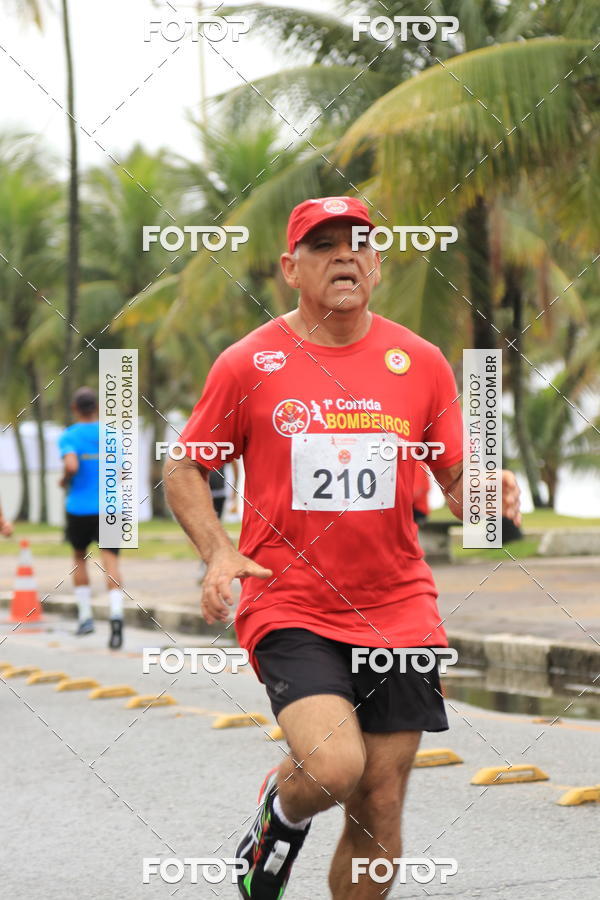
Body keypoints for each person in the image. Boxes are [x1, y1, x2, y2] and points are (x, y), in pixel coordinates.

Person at [164, 196, 521, 899]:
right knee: (333, 769)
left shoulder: (418, 362)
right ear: (291, 268)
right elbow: (183, 465)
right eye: (324, 245)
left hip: (397, 605)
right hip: (289, 601)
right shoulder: (250, 363)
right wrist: (216, 551)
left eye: (359, 243)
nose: (345, 255)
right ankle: (280, 809)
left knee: (381, 798)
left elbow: (450, 476)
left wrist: (484, 490)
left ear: (378, 264)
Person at [58, 387, 125, 649]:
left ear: (75, 408)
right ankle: (117, 616)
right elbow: (121, 473)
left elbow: (72, 465)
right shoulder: (112, 435)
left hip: (79, 508)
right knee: (111, 561)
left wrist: (65, 479)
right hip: (110, 507)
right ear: (96, 408)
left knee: (79, 557)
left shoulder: (70, 435)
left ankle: (85, 617)